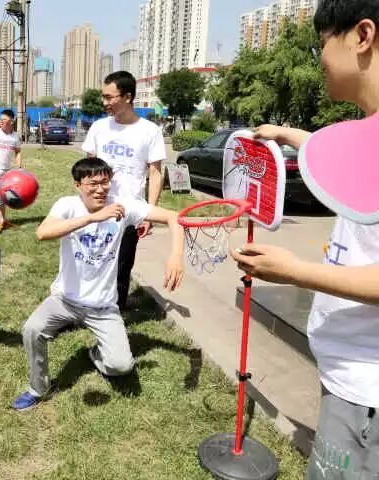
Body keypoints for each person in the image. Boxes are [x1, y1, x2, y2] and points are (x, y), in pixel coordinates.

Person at [230, 2, 379, 478]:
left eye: (322, 45)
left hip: (367, 393)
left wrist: (292, 271)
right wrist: (286, 134)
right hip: (349, 377)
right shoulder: (365, 135)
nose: (320, 60)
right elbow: (337, 152)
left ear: (362, 36)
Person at [12, 158, 184, 411]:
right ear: (78, 185)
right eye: (93, 184)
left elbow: (174, 217)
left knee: (121, 367)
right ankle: (38, 388)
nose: (100, 189)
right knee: (32, 330)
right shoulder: (67, 205)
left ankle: (95, 354)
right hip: (64, 300)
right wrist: (92, 218)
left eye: (105, 182)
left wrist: (176, 256)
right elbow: (42, 233)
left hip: (102, 307)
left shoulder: (122, 206)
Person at [82, 71, 166, 310]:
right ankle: (86, 305)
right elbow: (88, 168)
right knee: (92, 260)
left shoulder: (150, 131)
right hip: (99, 208)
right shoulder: (99, 127)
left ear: (127, 97)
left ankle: (115, 311)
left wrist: (150, 213)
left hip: (130, 211)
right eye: (103, 97)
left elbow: (155, 173)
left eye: (109, 97)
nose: (105, 102)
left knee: (122, 265)